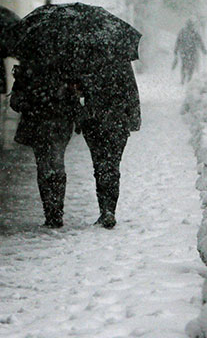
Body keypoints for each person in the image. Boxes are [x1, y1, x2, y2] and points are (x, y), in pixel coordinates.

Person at [10, 63, 81, 228]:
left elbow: (16, 100)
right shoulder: (65, 64)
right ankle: (55, 210)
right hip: (57, 122)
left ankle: (51, 211)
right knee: (55, 163)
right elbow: (75, 95)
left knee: (44, 166)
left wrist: (30, 104)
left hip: (41, 122)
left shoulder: (30, 66)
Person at [79, 60, 141, 229]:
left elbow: (78, 92)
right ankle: (109, 209)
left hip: (94, 121)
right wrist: (133, 118)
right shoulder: (121, 63)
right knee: (112, 165)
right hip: (117, 122)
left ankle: (104, 209)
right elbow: (131, 91)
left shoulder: (87, 62)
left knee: (99, 165)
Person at [172, 19, 207, 84]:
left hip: (185, 52)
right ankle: (187, 79)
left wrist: (176, 50)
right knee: (190, 66)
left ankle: (184, 79)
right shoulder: (193, 32)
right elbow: (200, 41)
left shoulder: (183, 32)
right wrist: (203, 49)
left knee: (185, 65)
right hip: (191, 51)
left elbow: (178, 41)